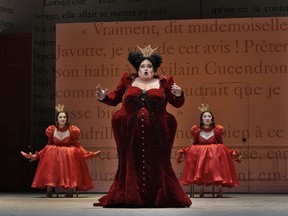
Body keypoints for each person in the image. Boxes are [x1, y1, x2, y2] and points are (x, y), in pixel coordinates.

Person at [94, 45, 192, 207]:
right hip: (130, 133)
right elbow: (114, 98)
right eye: (143, 66)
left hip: (157, 134)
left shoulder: (163, 82)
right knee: (132, 161)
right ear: (137, 68)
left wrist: (180, 94)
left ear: (154, 68)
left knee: (159, 162)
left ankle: (160, 196)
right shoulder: (128, 81)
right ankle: (132, 196)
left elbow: (177, 103)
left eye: (149, 66)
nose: (146, 69)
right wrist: (103, 96)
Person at [21, 104, 101, 198]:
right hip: (55, 155)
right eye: (60, 117)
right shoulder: (52, 130)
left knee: (71, 152)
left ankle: (70, 191)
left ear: (67, 119)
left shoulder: (72, 131)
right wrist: (36, 155)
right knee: (51, 151)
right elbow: (48, 145)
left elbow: (77, 145)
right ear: (57, 119)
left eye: (64, 117)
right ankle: (49, 191)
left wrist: (86, 154)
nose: (62, 119)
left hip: (68, 156)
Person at [176, 103, 242, 198]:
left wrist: (230, 152)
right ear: (202, 119)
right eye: (205, 116)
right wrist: (185, 150)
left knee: (215, 167)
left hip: (213, 155)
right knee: (202, 168)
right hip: (202, 155)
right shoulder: (197, 131)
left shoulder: (216, 131)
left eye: (209, 116)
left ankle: (219, 189)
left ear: (212, 119)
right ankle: (201, 190)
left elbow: (220, 143)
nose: (207, 118)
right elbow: (194, 144)